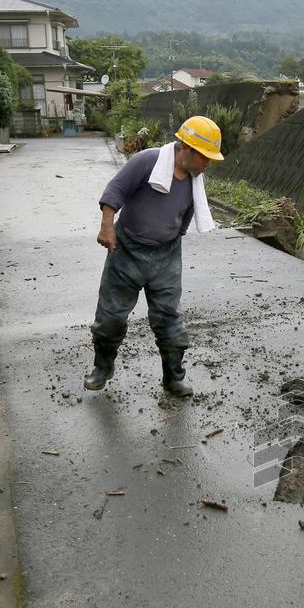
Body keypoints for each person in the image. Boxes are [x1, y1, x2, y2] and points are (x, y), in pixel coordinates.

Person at [84, 115, 224, 397]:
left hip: (166, 255)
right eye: (205, 157)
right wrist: (107, 227)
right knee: (111, 315)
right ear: (187, 149)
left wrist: (171, 239)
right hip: (127, 251)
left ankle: (173, 378)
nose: (208, 164)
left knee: (169, 318)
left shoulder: (195, 179)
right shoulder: (147, 161)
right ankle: (102, 368)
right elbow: (115, 191)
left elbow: (185, 216)